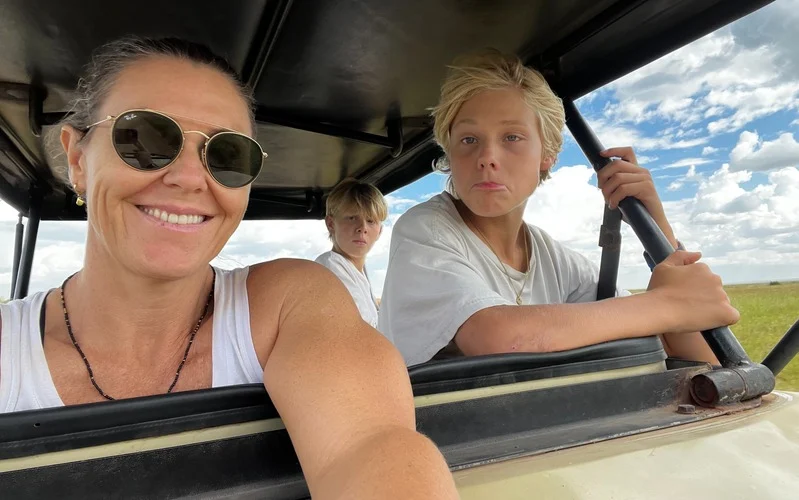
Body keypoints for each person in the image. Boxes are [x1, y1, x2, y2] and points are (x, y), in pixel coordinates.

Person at [0, 36, 457, 499]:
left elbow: (373, 446)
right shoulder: (8, 351)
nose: (189, 178)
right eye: (144, 139)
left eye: (227, 156)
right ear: (78, 159)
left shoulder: (287, 304)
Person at [378, 49, 738, 367]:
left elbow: (696, 363)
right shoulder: (425, 230)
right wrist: (667, 305)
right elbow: (499, 338)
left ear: (547, 155)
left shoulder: (553, 258)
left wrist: (658, 228)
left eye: (512, 138)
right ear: (451, 154)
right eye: (468, 140)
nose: (487, 158)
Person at [315, 178, 387, 328]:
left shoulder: (356, 271)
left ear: (380, 230)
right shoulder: (330, 267)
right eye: (352, 218)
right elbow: (362, 330)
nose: (362, 227)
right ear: (330, 224)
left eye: (371, 220)